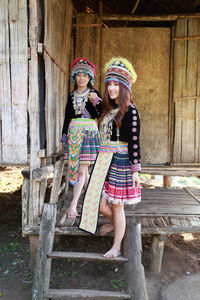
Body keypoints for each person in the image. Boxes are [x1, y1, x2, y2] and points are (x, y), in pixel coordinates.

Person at [79, 57, 141, 258]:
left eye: (117, 84)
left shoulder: (130, 110)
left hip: (120, 160)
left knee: (116, 205)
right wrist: (94, 100)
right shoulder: (106, 108)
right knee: (98, 204)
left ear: (124, 87)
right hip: (102, 159)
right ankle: (117, 225)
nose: (112, 88)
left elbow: (134, 141)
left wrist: (135, 170)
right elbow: (87, 112)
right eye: (110, 84)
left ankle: (116, 247)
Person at [59, 57, 102, 224]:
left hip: (89, 134)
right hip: (74, 134)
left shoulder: (94, 94)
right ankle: (87, 187)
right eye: (78, 75)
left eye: (85, 75)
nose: (82, 78)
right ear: (74, 77)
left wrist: (94, 100)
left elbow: (98, 114)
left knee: (82, 170)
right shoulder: (71, 96)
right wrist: (64, 136)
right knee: (75, 168)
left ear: (90, 78)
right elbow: (67, 118)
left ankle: (73, 204)